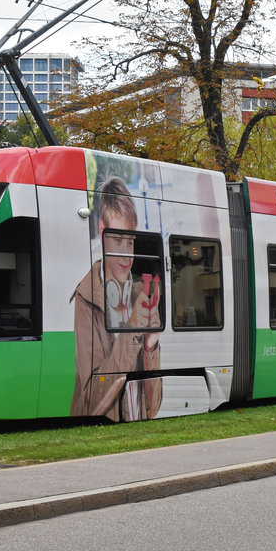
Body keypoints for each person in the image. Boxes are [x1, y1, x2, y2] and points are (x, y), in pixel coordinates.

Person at [70, 176, 163, 421]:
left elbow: (153, 406)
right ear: (102, 231)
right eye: (118, 240)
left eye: (130, 242)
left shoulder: (138, 296)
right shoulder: (86, 298)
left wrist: (151, 346)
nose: (126, 255)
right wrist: (133, 330)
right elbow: (92, 402)